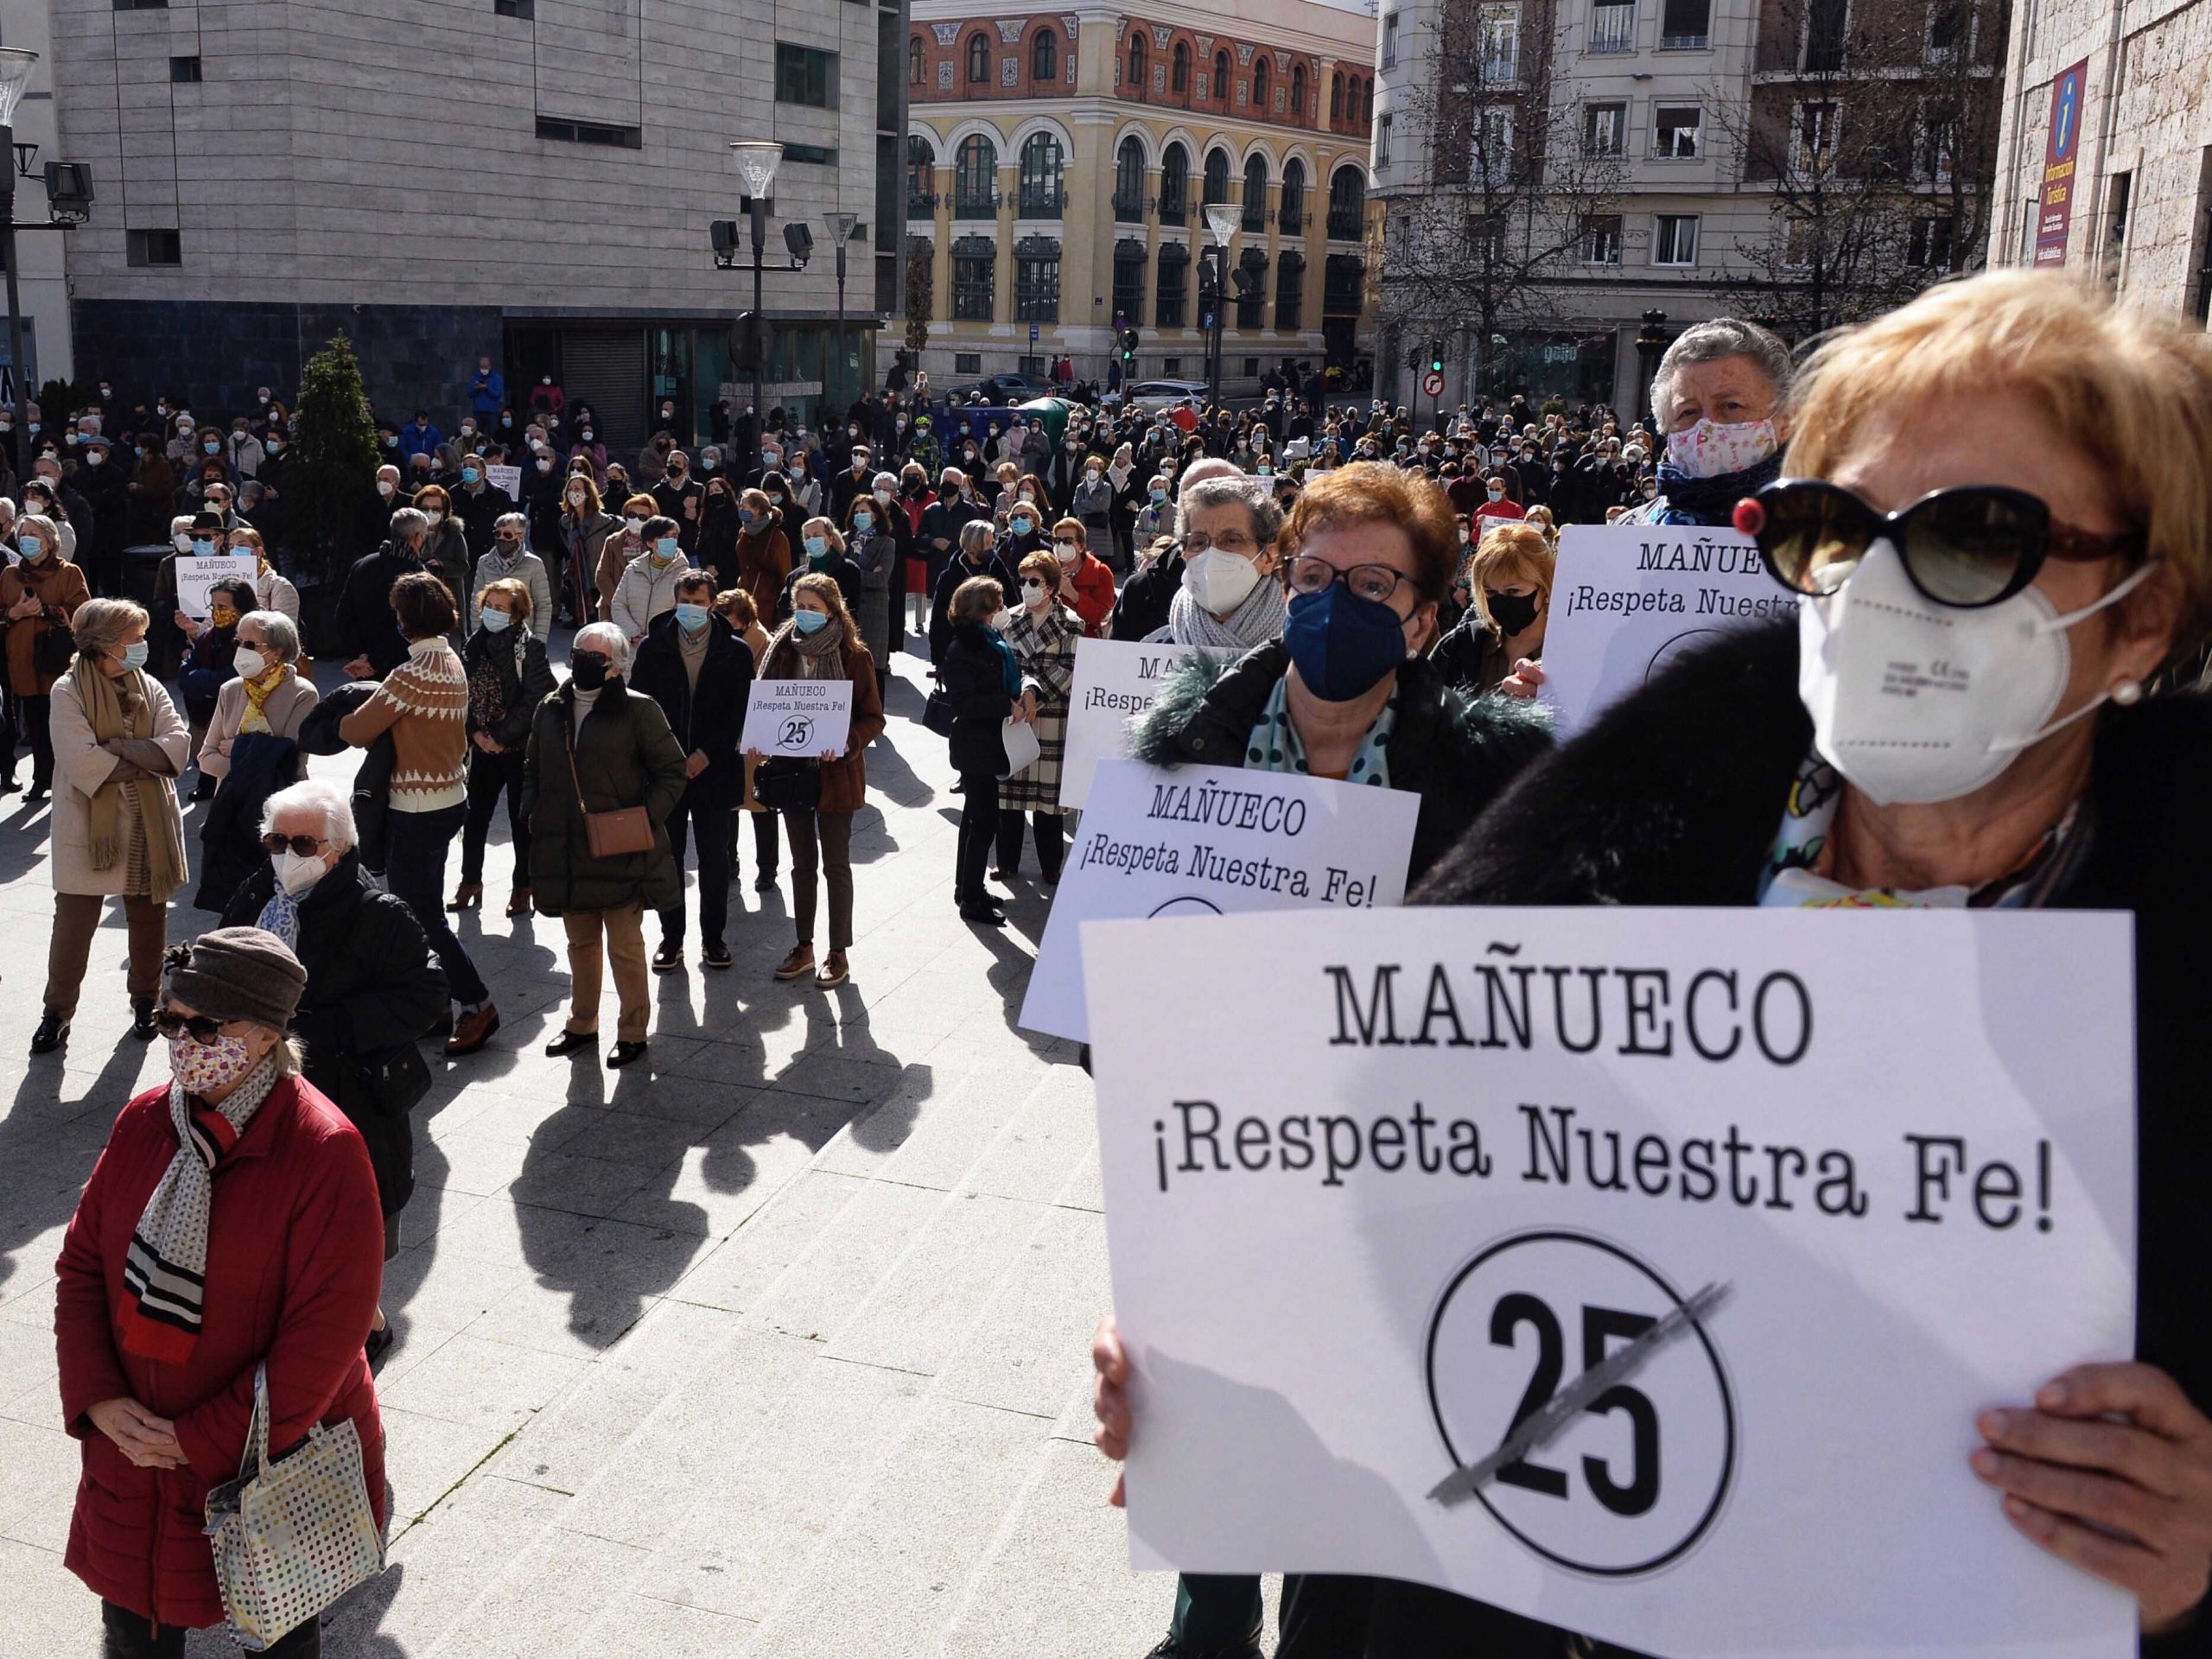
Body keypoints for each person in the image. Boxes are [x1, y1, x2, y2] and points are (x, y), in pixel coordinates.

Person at [1102, 273, 2212, 1654]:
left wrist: (2192, 1566)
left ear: (2147, 612)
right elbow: (1396, 1234)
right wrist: (1232, 1361)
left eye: (1977, 538)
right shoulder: (1596, 847)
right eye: (1834, 532)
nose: (1884, 590)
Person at [54, 926, 387, 1659]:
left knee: (279, 1637)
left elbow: (324, 1341)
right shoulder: (145, 1120)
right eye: (171, 1020)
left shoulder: (325, 1151)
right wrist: (100, 1399)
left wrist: (195, 1440)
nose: (183, 1040)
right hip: (132, 1456)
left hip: (266, 1466)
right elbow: (80, 1267)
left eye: (206, 1025)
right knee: (133, 1634)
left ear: (267, 1034)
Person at [222, 782, 447, 1369]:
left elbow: (427, 995)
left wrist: (327, 1030)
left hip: (350, 1098)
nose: (285, 854)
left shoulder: (380, 915)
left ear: (339, 850)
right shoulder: (255, 895)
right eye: (276, 840)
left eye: (302, 843)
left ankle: (360, 1330)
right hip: (258, 1095)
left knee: (342, 1232)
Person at [338, 571, 501, 1056]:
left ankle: (479, 1004)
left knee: (423, 916)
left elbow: (354, 730)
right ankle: (439, 1006)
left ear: (405, 620)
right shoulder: (449, 658)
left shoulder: (411, 673)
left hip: (416, 806)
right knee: (421, 908)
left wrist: (347, 707)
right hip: (449, 797)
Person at [524, 621, 688, 1065]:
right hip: (566, 849)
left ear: (616, 668)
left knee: (625, 946)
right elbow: (533, 769)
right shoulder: (550, 708)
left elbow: (672, 771)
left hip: (619, 847)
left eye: (594, 658)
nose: (582, 663)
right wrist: (532, 811)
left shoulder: (639, 710)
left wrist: (642, 819)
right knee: (580, 943)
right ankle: (582, 1023)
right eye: (578, 653)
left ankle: (633, 1029)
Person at [36, 598, 189, 1053]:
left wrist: (119, 748)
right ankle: (57, 1012)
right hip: (88, 822)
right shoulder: (67, 690)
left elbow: (176, 746)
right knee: (74, 921)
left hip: (148, 821)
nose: (143, 645)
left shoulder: (150, 684)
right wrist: (143, 755)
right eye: (134, 639)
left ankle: (145, 1001)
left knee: (147, 917)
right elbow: (82, 759)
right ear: (106, 646)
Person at [750, 574, 883, 986]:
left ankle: (838, 952)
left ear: (833, 611)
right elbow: (765, 702)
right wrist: (759, 734)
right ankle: (803, 945)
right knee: (802, 865)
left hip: (836, 775)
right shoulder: (781, 652)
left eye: (814, 608)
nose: (805, 615)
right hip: (791, 772)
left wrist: (848, 741)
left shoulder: (853, 656)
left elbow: (873, 717)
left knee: (836, 865)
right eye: (800, 607)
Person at [632, 572, 753, 970]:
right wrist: (668, 756)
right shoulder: (654, 647)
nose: (691, 609)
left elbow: (740, 711)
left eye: (698, 603)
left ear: (712, 604)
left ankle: (714, 938)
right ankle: (671, 938)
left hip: (714, 770)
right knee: (669, 857)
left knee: (714, 858)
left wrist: (705, 753)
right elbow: (641, 706)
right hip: (666, 771)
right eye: (684, 601)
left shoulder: (735, 652)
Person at [193, 607, 317, 915]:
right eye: (239, 642)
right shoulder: (231, 690)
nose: (241, 650)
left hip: (283, 816)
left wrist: (236, 750)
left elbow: (289, 765)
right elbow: (206, 759)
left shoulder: (302, 694)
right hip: (232, 815)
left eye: (251, 644)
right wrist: (255, 753)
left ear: (277, 651)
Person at [1625, 316, 1793, 527]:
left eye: (1731, 406)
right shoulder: (1626, 536)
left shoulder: (1827, 540)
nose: (1707, 428)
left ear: (1786, 420)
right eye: (1688, 412)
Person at [453, 576, 556, 918]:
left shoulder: (530, 649)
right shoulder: (472, 644)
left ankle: (522, 887)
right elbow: (461, 693)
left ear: (516, 615)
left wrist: (501, 736)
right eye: (489, 606)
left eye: (501, 608)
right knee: (475, 817)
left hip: (517, 749)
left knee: (519, 819)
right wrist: (476, 735)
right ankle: (470, 881)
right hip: (482, 747)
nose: (492, 613)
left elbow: (535, 699)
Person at [938, 573, 1026, 925]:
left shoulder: (991, 639)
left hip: (989, 743)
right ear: (981, 609)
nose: (1002, 608)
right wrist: (1007, 705)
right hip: (976, 746)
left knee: (976, 818)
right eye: (996, 603)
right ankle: (971, 896)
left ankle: (968, 886)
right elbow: (967, 703)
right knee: (984, 820)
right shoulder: (964, 648)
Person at [992, 551, 1078, 885]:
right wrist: (1017, 695)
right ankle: (1007, 863)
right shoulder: (1008, 619)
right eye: (1022, 580)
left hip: (1051, 715)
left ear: (1052, 586)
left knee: (1048, 803)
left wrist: (1035, 694)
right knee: (1010, 797)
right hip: (1015, 715)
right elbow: (1002, 663)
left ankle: (1051, 867)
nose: (1026, 587)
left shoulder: (1071, 622)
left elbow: (1068, 667)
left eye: (1034, 581)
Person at [3, 511, 92, 798]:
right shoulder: (9, 574)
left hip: (57, 659)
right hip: (22, 659)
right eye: (23, 534)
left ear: (50, 541)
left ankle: (67, 779)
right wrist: (14, 613)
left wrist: (46, 610)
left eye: (34, 535)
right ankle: (41, 779)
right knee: (35, 723)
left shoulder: (69, 572)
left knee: (62, 723)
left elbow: (84, 613)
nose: (27, 539)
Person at [1141, 475, 1287, 652]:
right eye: (1198, 542)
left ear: (1269, 558)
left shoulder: (1305, 659)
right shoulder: (1152, 651)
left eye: (1232, 540)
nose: (1211, 555)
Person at [1427, 521, 1555, 698]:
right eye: (1490, 592)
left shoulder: (1566, 654)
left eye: (1513, 591)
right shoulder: (1461, 643)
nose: (1502, 601)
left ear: (1544, 586)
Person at [715, 588, 781, 893]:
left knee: (761, 803)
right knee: (728, 801)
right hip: (729, 733)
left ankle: (767, 869)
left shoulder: (763, 644)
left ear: (742, 618)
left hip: (756, 735)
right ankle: (729, 861)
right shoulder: (722, 641)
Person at [175, 575, 257, 802]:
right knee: (206, 748)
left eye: (223, 607)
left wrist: (203, 679)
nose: (216, 613)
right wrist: (205, 680)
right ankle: (206, 784)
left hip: (238, 713)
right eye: (213, 607)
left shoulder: (252, 639)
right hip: (204, 712)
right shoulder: (208, 637)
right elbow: (184, 676)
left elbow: (235, 676)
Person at [335, 507, 434, 680]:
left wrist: (360, 656)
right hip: (405, 670)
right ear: (419, 538)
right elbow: (416, 626)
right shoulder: (419, 577)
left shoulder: (362, 565)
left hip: (364, 669)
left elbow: (343, 617)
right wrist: (374, 661)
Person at [930, 518, 1016, 663]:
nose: (992, 547)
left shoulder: (996, 566)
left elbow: (1013, 601)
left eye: (992, 542)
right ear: (974, 545)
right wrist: (939, 660)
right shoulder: (951, 576)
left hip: (995, 645)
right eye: (988, 543)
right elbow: (939, 621)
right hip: (962, 650)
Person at [467, 511, 554, 639]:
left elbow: (544, 606)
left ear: (520, 537)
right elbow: (477, 602)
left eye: (507, 535)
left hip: (522, 638)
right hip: (489, 637)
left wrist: (539, 641)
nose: (501, 538)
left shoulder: (534, 564)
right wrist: (477, 635)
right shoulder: (484, 562)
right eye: (497, 534)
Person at [611, 515, 691, 643]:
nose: (671, 541)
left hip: (665, 647)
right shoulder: (632, 570)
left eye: (674, 536)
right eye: (665, 537)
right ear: (650, 542)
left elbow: (684, 613)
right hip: (632, 646)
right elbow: (618, 604)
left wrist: (654, 638)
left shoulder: (685, 575)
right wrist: (633, 632)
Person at [558, 470, 617, 625]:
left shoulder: (605, 522)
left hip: (597, 576)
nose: (573, 493)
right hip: (577, 575)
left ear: (588, 493)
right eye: (570, 489)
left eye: (577, 489)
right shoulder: (566, 522)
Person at [786, 517, 864, 621]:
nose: (811, 540)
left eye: (816, 535)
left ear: (831, 539)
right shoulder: (795, 576)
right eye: (807, 537)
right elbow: (785, 607)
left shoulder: (849, 570)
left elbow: (850, 608)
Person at [1047, 518, 1116, 637]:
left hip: (1085, 640)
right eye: (1057, 540)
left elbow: (1105, 618)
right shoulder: (1047, 569)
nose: (1061, 545)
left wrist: (1074, 595)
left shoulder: (1101, 572)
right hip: (1052, 637)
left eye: (1068, 541)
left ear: (1081, 546)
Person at [596, 492, 658, 618]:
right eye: (632, 515)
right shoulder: (612, 541)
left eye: (642, 517)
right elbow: (602, 576)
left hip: (644, 610)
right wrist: (619, 604)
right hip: (612, 608)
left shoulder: (656, 544)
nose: (636, 520)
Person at [735, 487, 793, 622]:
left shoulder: (776, 537)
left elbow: (785, 574)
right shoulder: (743, 533)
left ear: (757, 510)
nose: (741, 510)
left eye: (744, 506)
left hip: (768, 604)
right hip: (744, 599)